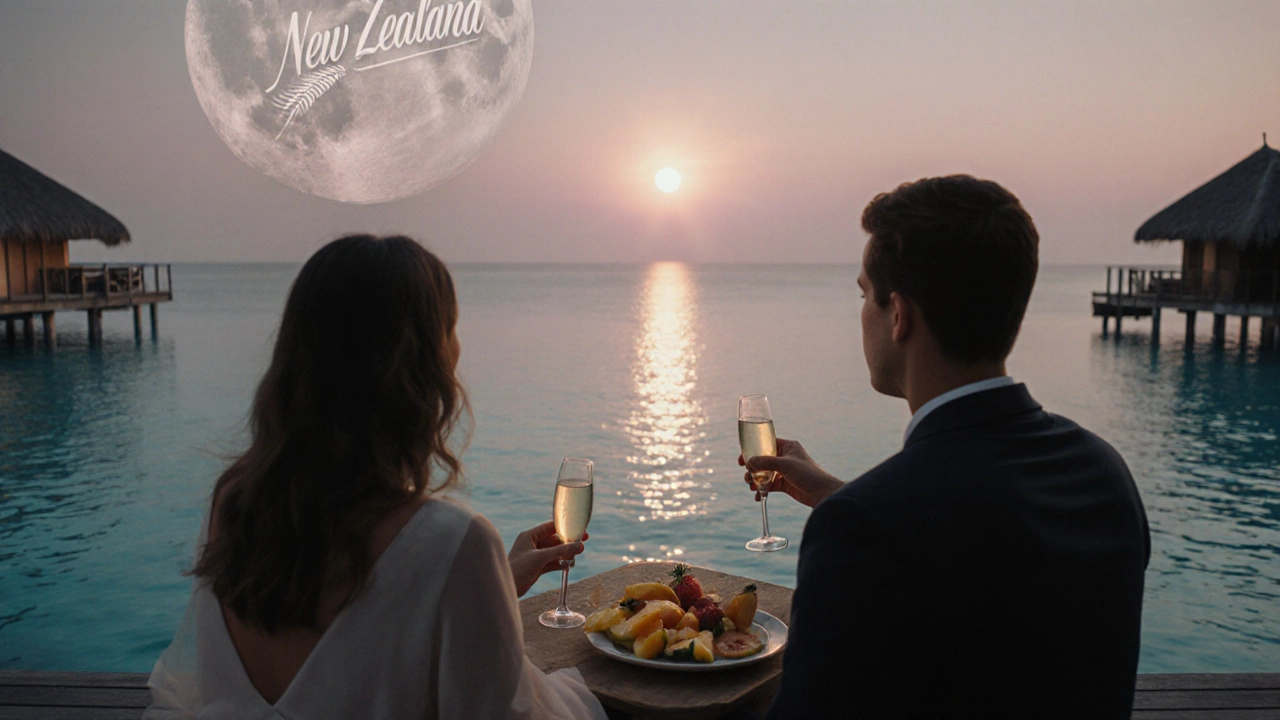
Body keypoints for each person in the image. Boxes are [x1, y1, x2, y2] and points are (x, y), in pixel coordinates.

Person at [144, 235, 607, 720]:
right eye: (450, 327)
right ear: (422, 367)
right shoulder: (457, 541)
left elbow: (356, 640)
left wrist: (489, 584)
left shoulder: (233, 504)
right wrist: (471, 570)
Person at [742, 176, 1150, 719]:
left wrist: (850, 515)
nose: (862, 312)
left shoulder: (863, 533)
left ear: (899, 315)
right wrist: (839, 497)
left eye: (865, 294)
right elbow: (990, 562)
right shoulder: (1104, 475)